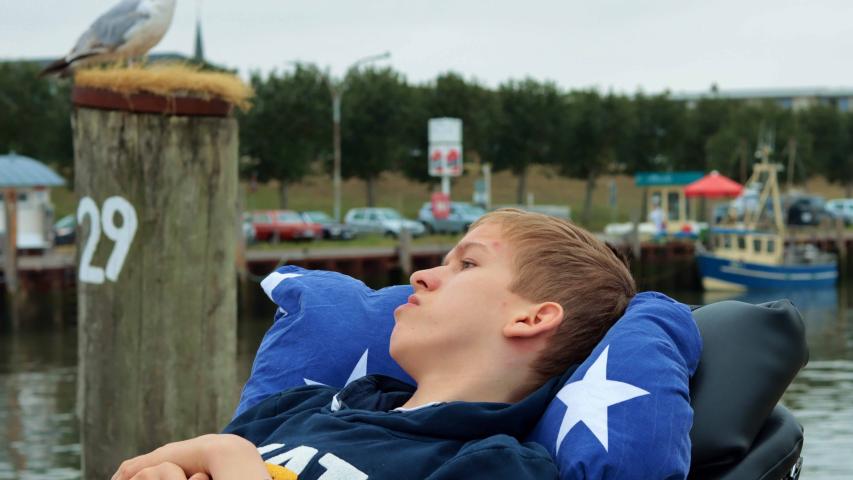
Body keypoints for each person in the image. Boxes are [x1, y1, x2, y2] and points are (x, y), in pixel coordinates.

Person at [112, 208, 637, 480]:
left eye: (467, 263)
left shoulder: (493, 466)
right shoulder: (302, 406)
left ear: (531, 318)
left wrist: (223, 453)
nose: (422, 276)